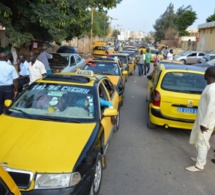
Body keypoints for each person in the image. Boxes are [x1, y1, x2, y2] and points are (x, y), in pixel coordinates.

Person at [185, 66, 215, 172]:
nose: (204, 74)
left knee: (202, 142)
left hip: (206, 122)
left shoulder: (212, 89)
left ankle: (199, 165)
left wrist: (205, 124)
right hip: (202, 119)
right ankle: (200, 159)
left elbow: (211, 108)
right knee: (199, 140)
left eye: (205, 72)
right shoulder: (210, 86)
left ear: (208, 74)